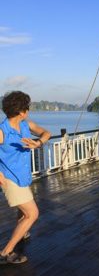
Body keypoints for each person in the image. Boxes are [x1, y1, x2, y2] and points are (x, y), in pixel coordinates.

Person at [0, 91, 51, 264]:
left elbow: (46, 133)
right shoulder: (2, 131)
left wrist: (38, 143)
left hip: (23, 176)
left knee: (23, 212)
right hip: (10, 179)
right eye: (27, 108)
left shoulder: (25, 125)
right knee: (32, 213)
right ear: (21, 111)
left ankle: (21, 232)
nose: (28, 111)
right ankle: (5, 253)